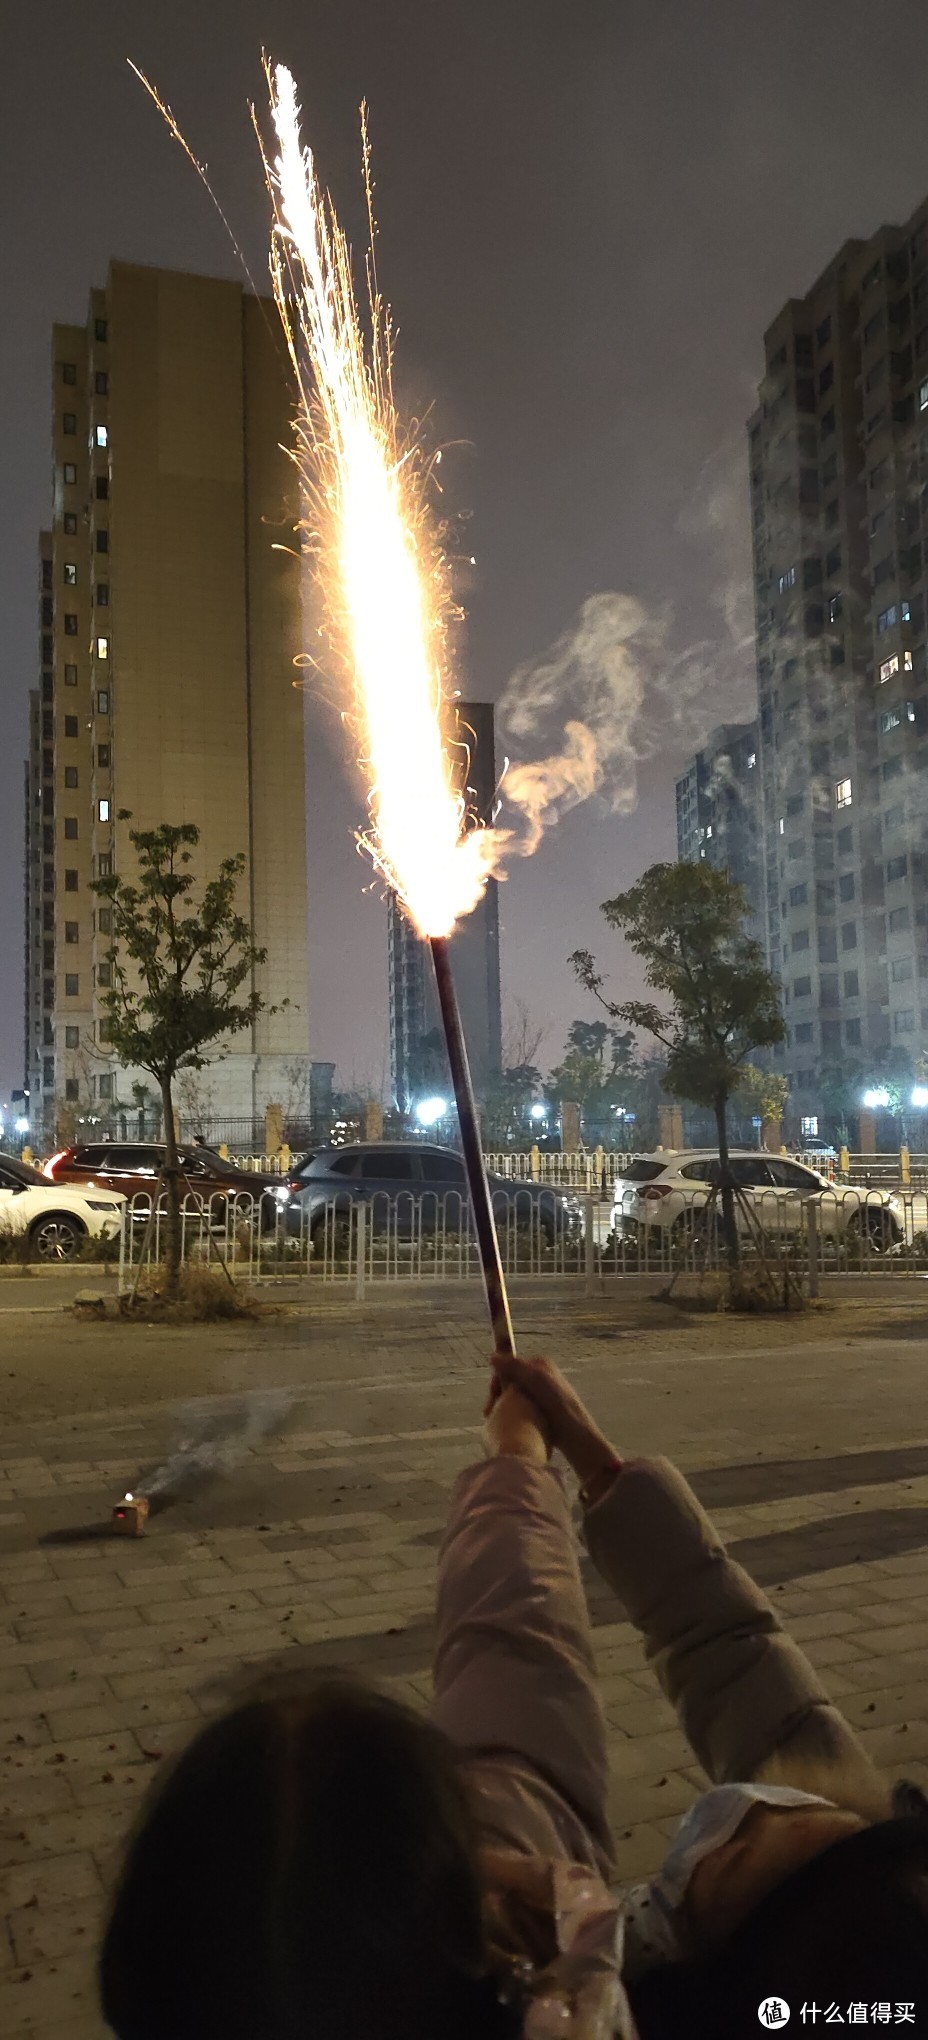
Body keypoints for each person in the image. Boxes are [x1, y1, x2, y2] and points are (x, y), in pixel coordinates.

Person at [99, 1355, 928, 2040]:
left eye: (746, 1860)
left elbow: (530, 1690)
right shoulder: (857, 1956)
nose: (762, 1811)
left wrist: (546, 1465)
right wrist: (541, 1463)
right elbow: (525, 1668)